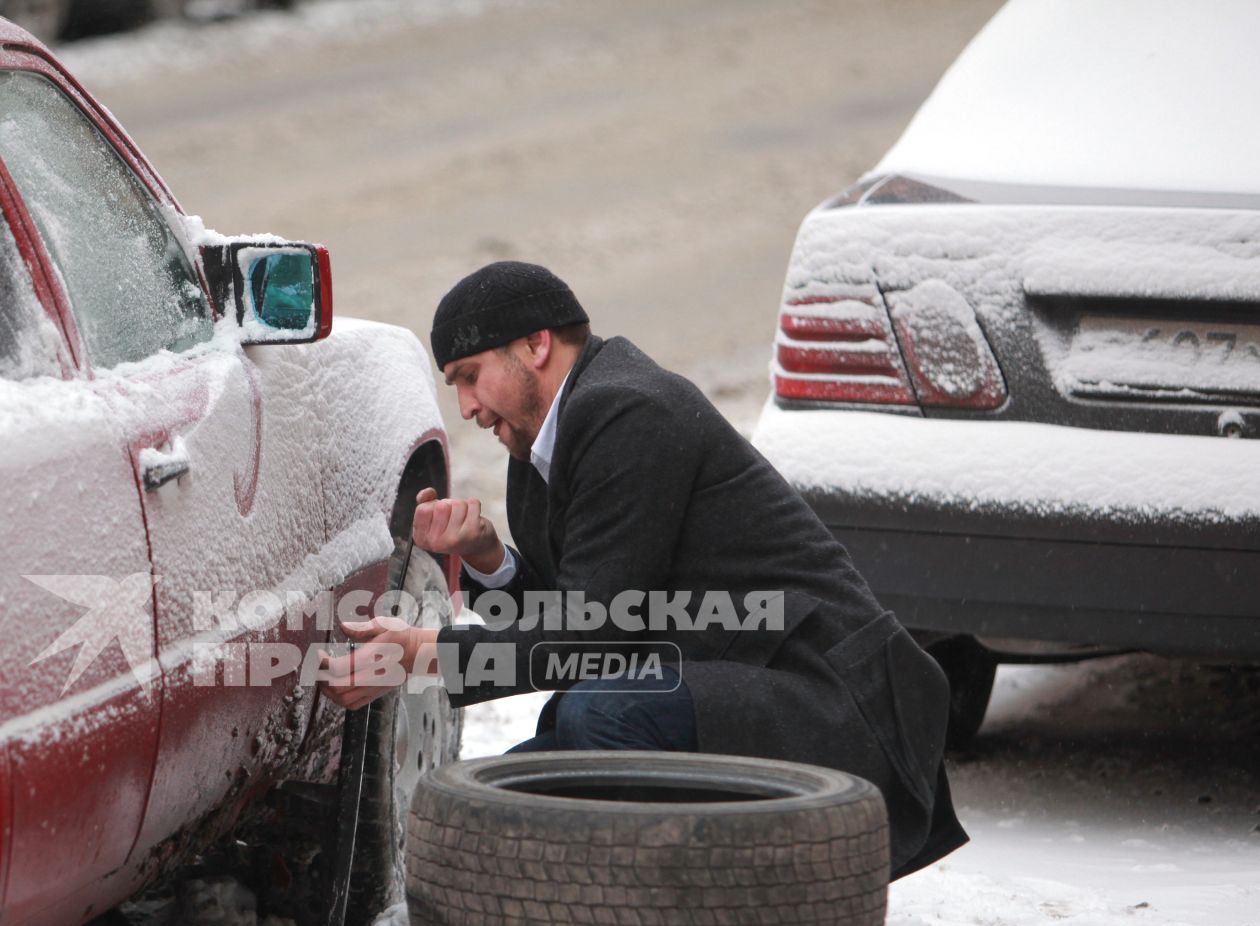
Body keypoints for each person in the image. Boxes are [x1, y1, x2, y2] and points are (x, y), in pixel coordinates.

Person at [319, 261, 965, 878]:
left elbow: (589, 638)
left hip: (830, 700)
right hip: (716, 685)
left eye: (469, 375)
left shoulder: (629, 410)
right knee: (481, 808)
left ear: (537, 345)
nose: (464, 407)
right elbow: (571, 621)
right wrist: (488, 557)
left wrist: (423, 654)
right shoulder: (538, 447)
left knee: (598, 715)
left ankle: (686, 913)